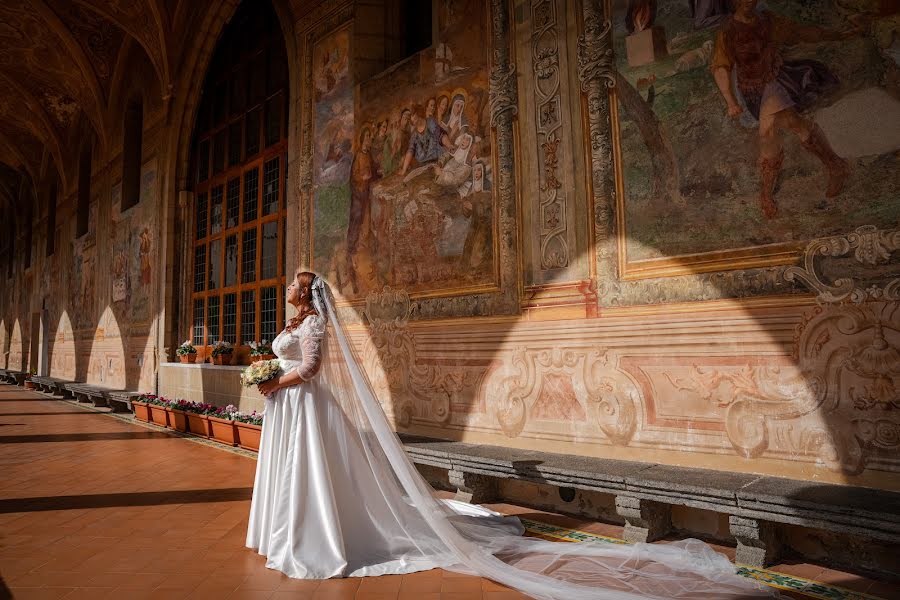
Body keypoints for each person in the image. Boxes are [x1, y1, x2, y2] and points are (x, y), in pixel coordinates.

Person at [246, 272, 780, 599]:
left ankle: (316, 536)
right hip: (287, 407)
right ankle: (281, 531)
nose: (292, 285)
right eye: (293, 281)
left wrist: (275, 382)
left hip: (302, 403)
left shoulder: (314, 327)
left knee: (315, 473)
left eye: (298, 280)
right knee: (295, 470)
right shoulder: (291, 325)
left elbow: (312, 371)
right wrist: (269, 378)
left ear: (309, 292)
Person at [710, 0, 856, 219]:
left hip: (776, 79)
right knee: (793, 123)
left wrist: (840, 35)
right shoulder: (727, 31)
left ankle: (766, 193)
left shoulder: (768, 21)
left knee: (767, 131)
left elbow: (800, 32)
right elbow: (721, 67)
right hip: (751, 90)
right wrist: (730, 100)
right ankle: (836, 165)